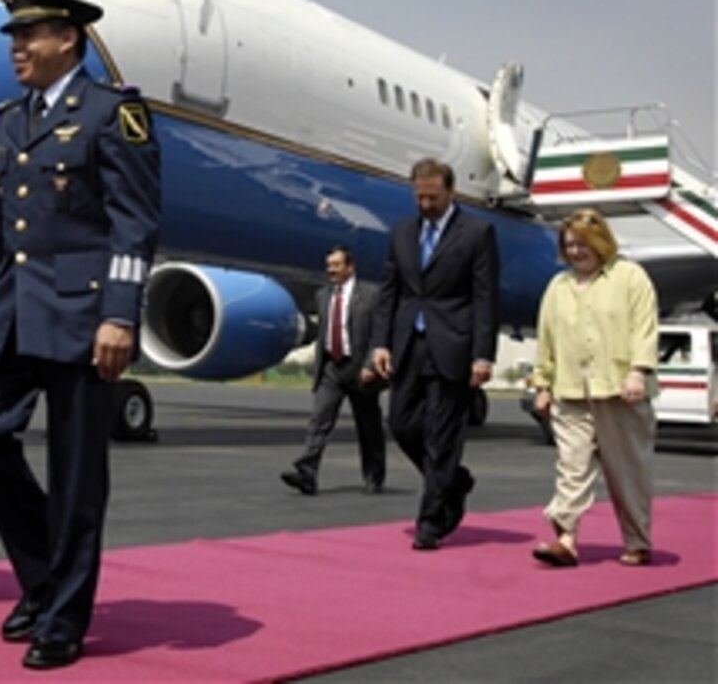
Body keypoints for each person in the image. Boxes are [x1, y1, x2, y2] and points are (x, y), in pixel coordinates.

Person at [0, 0, 161, 670]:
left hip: (82, 316)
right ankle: (44, 576)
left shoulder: (113, 114)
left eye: (29, 33)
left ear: (67, 38)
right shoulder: (6, 119)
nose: (16, 46)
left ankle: (64, 618)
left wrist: (120, 317)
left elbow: (135, 225)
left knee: (75, 475)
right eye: (12, 35)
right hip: (8, 311)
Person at [370, 158, 499, 551]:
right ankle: (453, 481)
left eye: (433, 197)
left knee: (443, 437)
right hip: (409, 343)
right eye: (419, 196)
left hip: (453, 345)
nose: (425, 204)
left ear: (451, 192)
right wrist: (380, 342)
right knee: (401, 424)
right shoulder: (402, 233)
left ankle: (431, 522)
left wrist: (483, 355)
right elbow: (390, 291)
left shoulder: (477, 233)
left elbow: (485, 298)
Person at [529, 208, 659, 568]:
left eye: (582, 243)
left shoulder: (630, 277)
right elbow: (547, 340)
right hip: (571, 390)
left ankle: (637, 540)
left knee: (627, 469)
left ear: (601, 241)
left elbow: (644, 329)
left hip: (619, 390)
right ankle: (566, 540)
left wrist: (638, 371)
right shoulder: (558, 286)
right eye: (569, 244)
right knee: (571, 466)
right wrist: (543, 383)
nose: (575, 251)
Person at [281, 245, 386, 496]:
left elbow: (381, 332)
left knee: (368, 426)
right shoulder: (323, 296)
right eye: (329, 265)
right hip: (331, 368)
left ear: (350, 267)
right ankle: (307, 472)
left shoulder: (372, 295)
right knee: (319, 420)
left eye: (337, 265)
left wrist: (371, 365)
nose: (331, 270)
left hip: (360, 368)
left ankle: (374, 476)